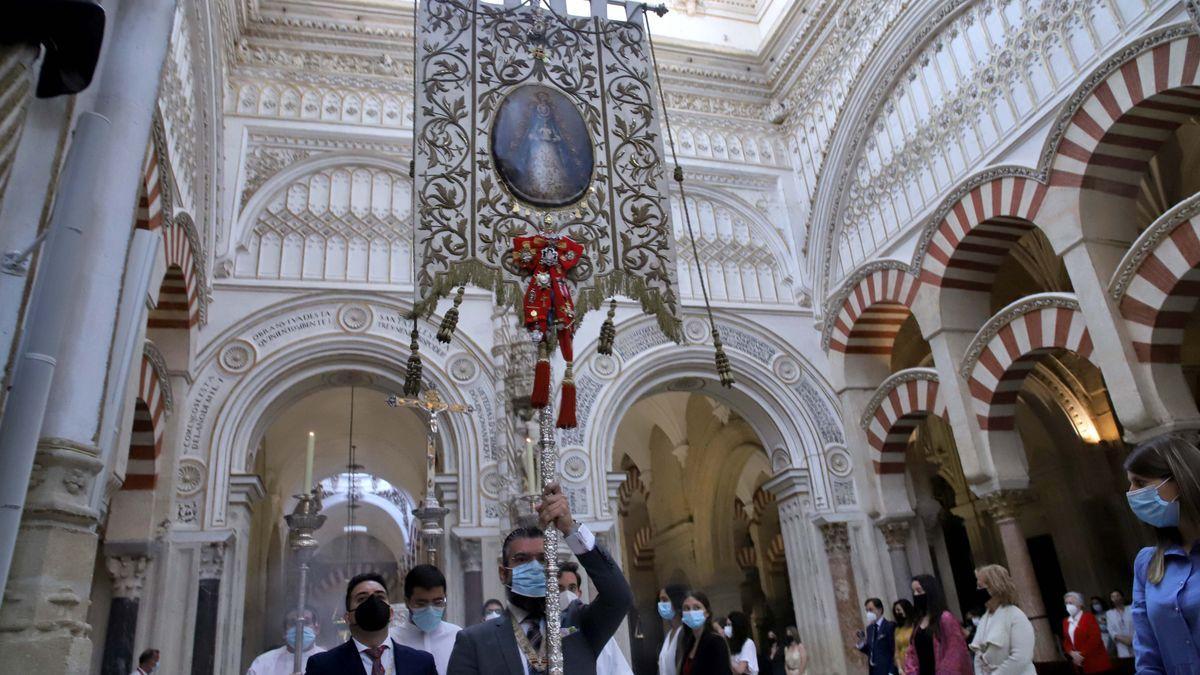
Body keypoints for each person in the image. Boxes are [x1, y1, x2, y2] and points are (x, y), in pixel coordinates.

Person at [447, 482, 633, 675]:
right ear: (503, 573)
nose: (534, 567)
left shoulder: (579, 626)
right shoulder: (474, 642)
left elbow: (618, 597)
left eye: (543, 559)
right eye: (522, 559)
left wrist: (570, 529)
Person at [1124, 434, 1200, 671]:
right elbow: (1148, 654)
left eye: (1141, 483)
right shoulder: (1148, 563)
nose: (1131, 492)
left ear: (1178, 480)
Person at [304, 572, 436, 675]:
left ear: (391, 613)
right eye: (362, 598)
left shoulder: (421, 663)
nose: (373, 602)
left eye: (380, 597)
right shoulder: (323, 666)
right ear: (348, 617)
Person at [558, 561, 634, 675]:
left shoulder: (597, 631)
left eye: (572, 588)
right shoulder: (543, 632)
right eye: (560, 589)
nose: (566, 594)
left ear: (579, 593)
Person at [392, 564, 462, 675]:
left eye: (437, 602)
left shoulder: (457, 636)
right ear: (407, 601)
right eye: (421, 603)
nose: (430, 610)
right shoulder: (392, 640)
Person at [968, 564, 1034, 675]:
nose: (977, 591)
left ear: (994, 587)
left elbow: (1021, 657)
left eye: (980, 586)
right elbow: (979, 655)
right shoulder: (985, 618)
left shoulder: (1015, 615)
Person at [903, 574, 971, 675]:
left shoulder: (945, 618)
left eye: (919, 591)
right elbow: (912, 652)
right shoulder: (919, 622)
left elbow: (955, 650)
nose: (916, 595)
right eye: (914, 592)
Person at [247, 607, 326, 674]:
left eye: (306, 622)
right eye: (293, 623)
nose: (299, 628)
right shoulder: (263, 663)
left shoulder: (328, 661)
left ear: (317, 629)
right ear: (284, 631)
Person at [676, 590, 732, 675]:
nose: (691, 612)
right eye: (686, 608)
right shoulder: (689, 642)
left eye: (696, 608)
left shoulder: (716, 642)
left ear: (707, 613)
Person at [1062, 592, 1111, 674]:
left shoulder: (1089, 617)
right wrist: (1071, 652)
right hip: (1079, 665)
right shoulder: (1065, 621)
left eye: (1071, 603)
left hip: (1096, 663)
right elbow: (1067, 641)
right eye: (1066, 603)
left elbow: (1095, 638)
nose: (1068, 606)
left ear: (1080, 604)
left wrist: (1081, 655)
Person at [855, 597, 895, 675]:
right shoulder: (869, 629)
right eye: (866, 611)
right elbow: (871, 650)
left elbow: (894, 650)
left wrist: (892, 671)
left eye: (870, 610)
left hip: (887, 670)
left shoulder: (889, 626)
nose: (868, 613)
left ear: (879, 610)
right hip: (874, 671)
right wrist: (862, 641)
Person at [658, 584, 687, 675]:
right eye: (660, 600)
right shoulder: (669, 633)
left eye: (665, 600)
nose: (661, 604)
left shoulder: (684, 632)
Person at [1103, 590, 1132, 660]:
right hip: (1121, 645)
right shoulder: (1109, 613)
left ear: (1122, 597)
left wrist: (1132, 640)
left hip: (1136, 642)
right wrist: (1124, 639)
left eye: (1117, 595)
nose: (1115, 598)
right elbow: (1111, 630)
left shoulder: (1131, 608)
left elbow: (1139, 625)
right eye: (1113, 597)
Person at [893, 600, 915, 672]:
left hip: (914, 666)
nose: (897, 613)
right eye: (895, 611)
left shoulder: (915, 627)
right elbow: (896, 651)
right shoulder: (897, 630)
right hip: (902, 668)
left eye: (899, 610)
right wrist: (899, 668)